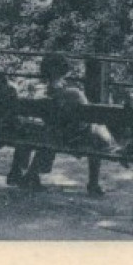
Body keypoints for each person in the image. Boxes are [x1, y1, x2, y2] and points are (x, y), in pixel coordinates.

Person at [12, 53, 114, 195]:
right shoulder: (74, 93)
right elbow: (88, 117)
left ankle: (30, 175)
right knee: (94, 132)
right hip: (75, 138)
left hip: (55, 136)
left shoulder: (40, 94)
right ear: (64, 70)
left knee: (49, 132)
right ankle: (93, 183)